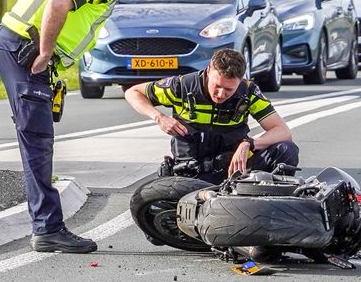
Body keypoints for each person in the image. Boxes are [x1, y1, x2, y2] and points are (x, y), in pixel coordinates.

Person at [0, 0, 164, 251]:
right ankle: (47, 229)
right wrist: (45, 53)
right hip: (26, 50)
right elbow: (58, 3)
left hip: (17, 45)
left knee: (37, 141)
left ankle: (47, 226)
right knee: (37, 142)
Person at [125, 46, 298, 181]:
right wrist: (159, 117)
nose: (221, 94)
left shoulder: (248, 92)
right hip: (193, 173)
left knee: (287, 150)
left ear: (240, 81)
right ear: (209, 71)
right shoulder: (181, 86)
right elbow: (133, 93)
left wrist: (249, 144)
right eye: (217, 86)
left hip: (235, 170)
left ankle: (271, 205)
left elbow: (283, 132)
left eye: (229, 89)